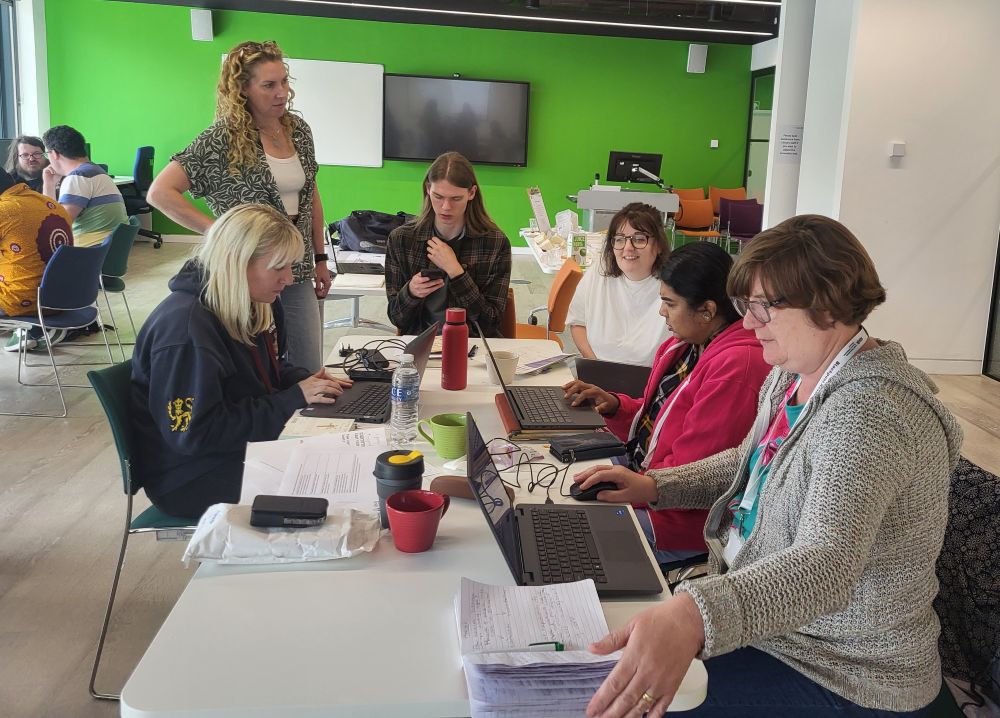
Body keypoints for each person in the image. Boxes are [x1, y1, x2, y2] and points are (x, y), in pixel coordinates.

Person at [575, 215, 962, 718]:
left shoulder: (870, 414)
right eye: (744, 307)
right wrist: (653, 485)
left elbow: (824, 566)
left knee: (632, 699)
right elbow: (752, 462)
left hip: (843, 668)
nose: (749, 323)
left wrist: (694, 614)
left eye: (763, 307)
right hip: (779, 629)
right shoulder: (793, 374)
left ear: (825, 304)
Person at [130, 204, 352, 519]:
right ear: (237, 263)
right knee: (333, 483)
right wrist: (291, 400)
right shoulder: (185, 330)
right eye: (279, 268)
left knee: (340, 458)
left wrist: (305, 382)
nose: (288, 279)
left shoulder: (246, 302)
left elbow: (259, 371)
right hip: (191, 476)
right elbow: (195, 434)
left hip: (233, 452)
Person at [562, 242, 769, 563]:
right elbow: (659, 423)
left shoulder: (736, 368)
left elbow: (692, 474)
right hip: (643, 473)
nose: (662, 312)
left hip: (675, 517)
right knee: (555, 487)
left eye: (669, 303)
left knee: (571, 542)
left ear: (708, 310)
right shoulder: (684, 346)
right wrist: (615, 406)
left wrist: (633, 489)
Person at [146, 40, 330, 372]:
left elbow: (310, 195)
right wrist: (221, 233)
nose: (282, 93)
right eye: (269, 85)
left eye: (285, 82)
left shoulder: (298, 131)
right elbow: (160, 192)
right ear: (243, 89)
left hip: (296, 267)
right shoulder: (222, 138)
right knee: (255, 369)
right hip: (247, 273)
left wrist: (320, 257)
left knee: (307, 366)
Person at [384, 151, 511, 337]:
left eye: (456, 199)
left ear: (472, 193)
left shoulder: (495, 243)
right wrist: (411, 292)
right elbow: (397, 318)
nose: (445, 207)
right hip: (421, 343)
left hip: (472, 345)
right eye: (438, 196)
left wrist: (457, 273)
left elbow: (490, 323)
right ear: (428, 189)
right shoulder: (401, 240)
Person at [566, 203, 671, 366]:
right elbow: (578, 323)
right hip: (597, 375)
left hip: (652, 383)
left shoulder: (674, 286)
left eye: (639, 239)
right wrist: (596, 367)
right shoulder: (600, 271)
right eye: (620, 239)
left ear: (658, 245)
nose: (628, 248)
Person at [0, 168, 74, 352]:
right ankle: (33, 329)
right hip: (65, 296)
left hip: (25, 301)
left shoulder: (4, 210)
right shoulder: (49, 202)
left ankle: (30, 327)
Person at [40, 125, 128, 247]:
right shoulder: (96, 171)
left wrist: (48, 185)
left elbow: (57, 226)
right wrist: (50, 183)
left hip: (88, 254)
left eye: (46, 154)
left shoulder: (78, 177)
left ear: (54, 154)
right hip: (106, 252)